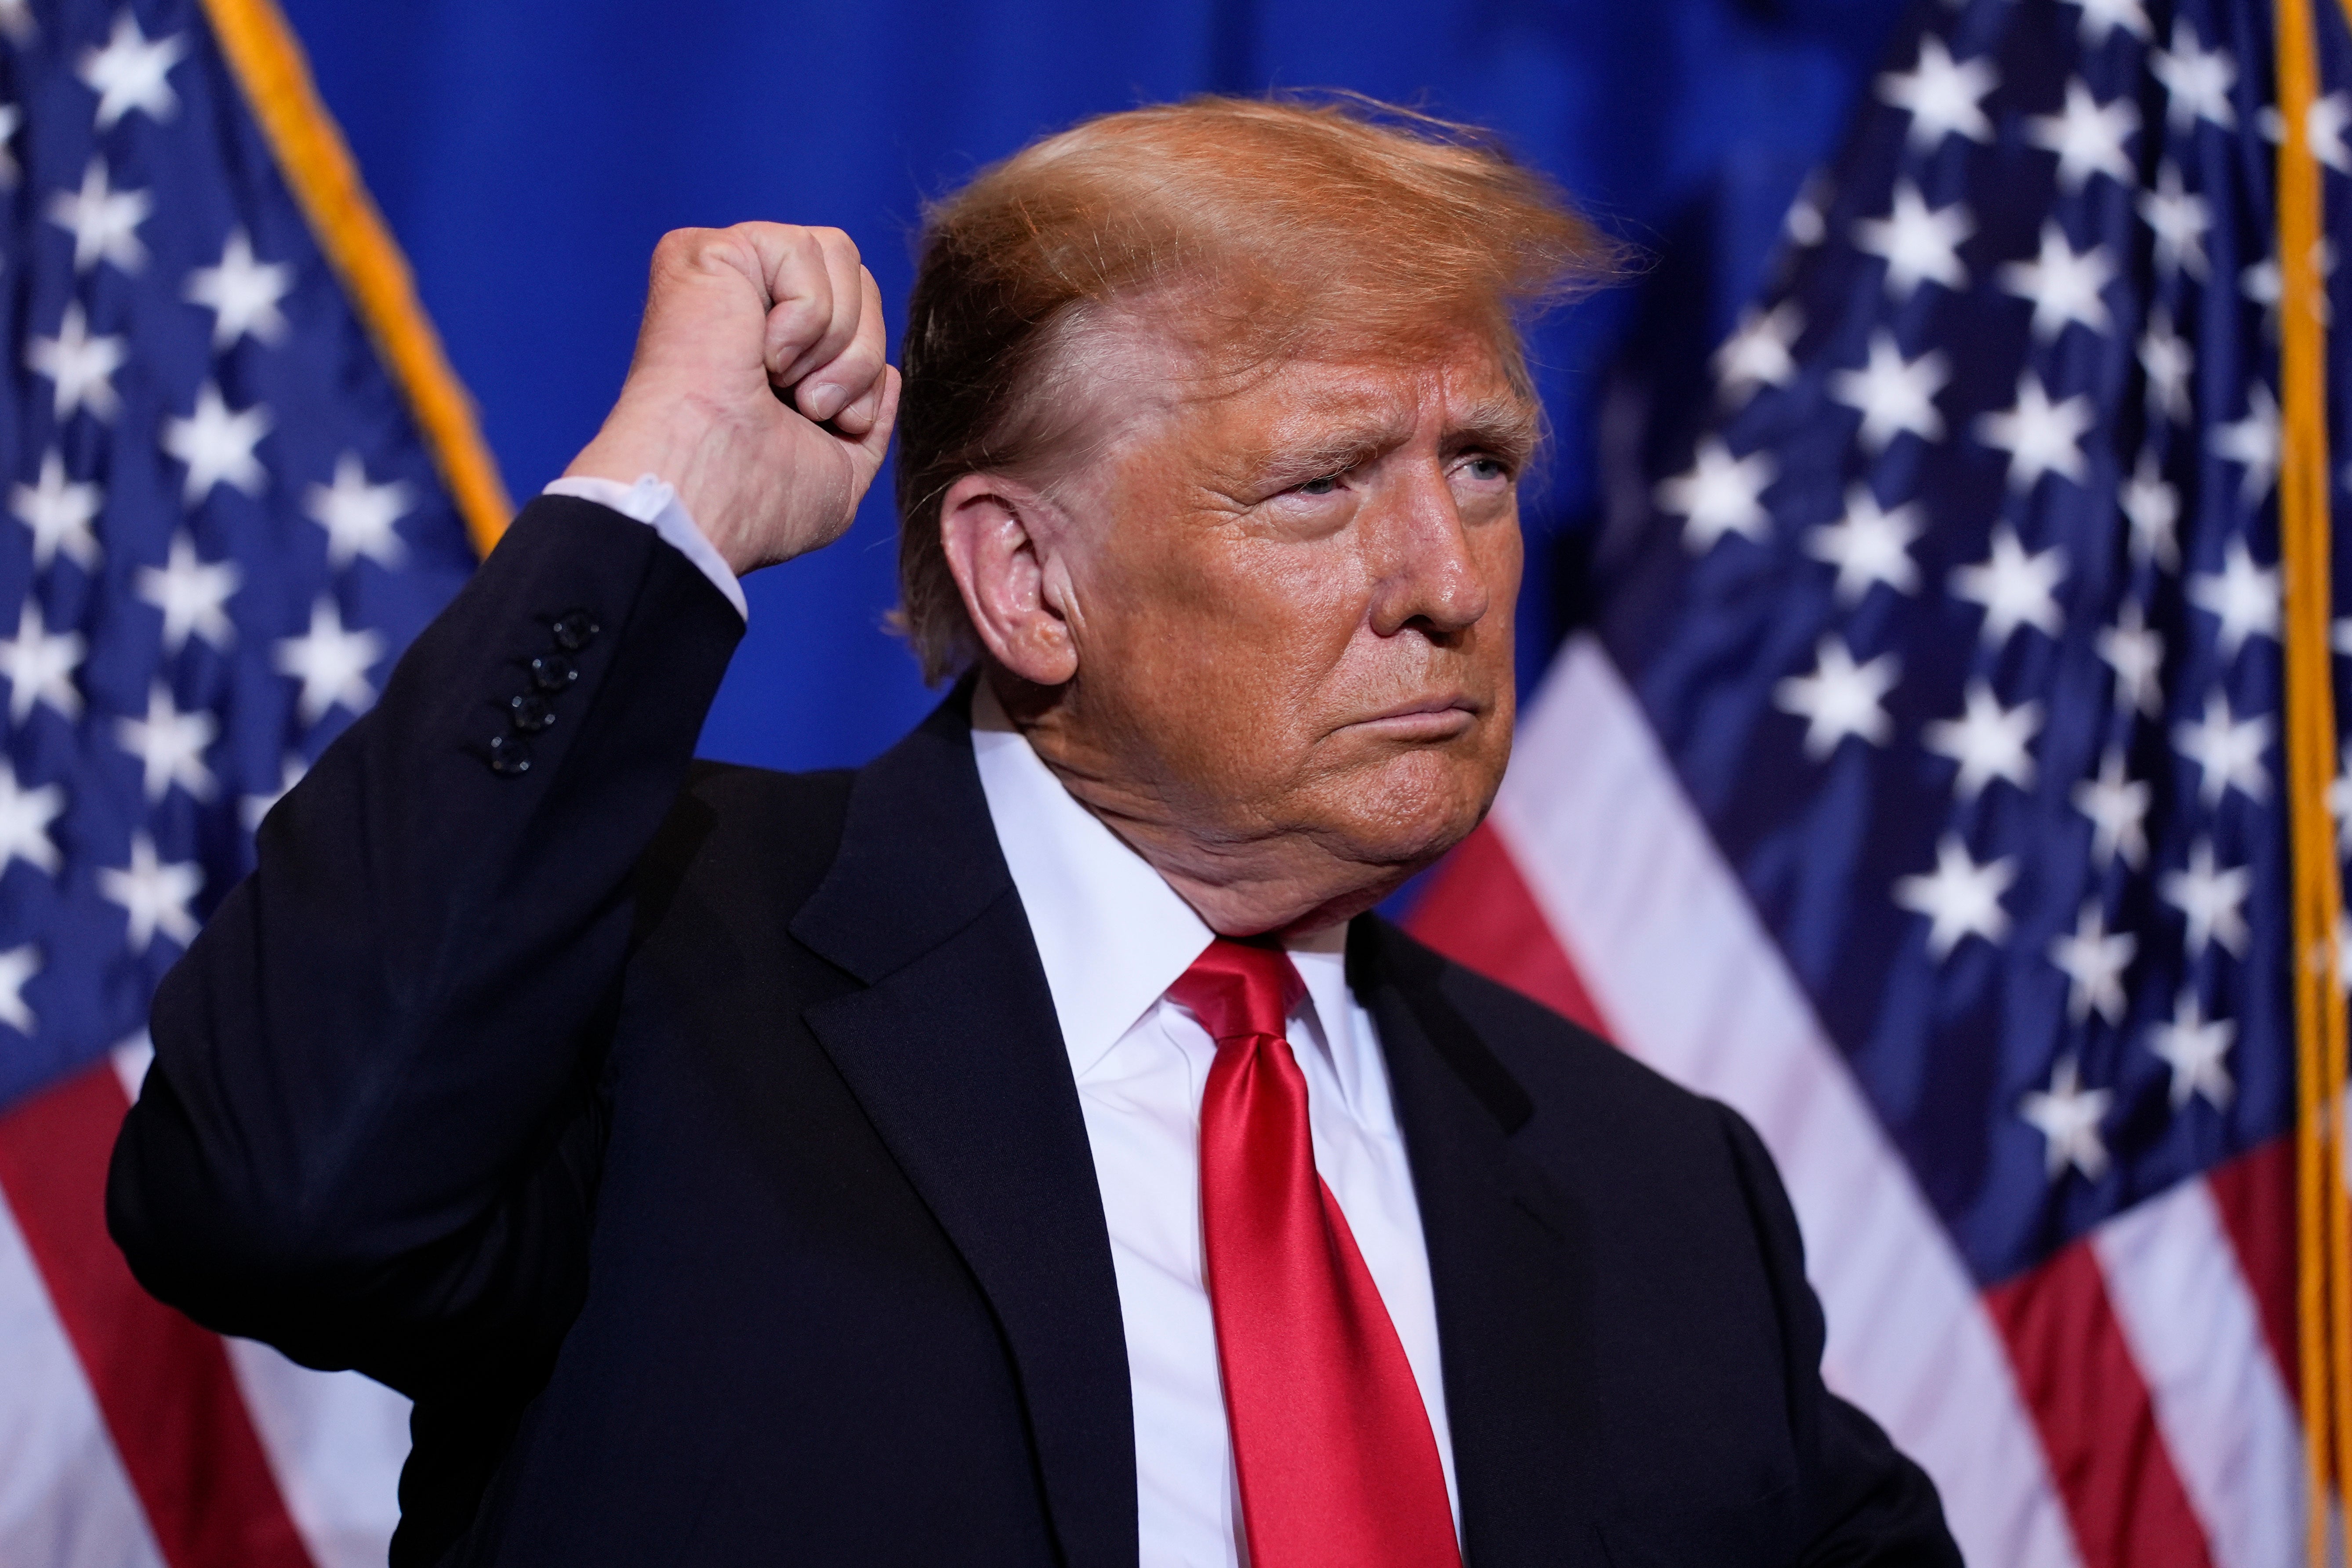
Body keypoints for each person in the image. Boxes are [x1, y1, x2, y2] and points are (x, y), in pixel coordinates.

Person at [108, 96, 1960, 1567]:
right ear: (1027, 580)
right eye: (1322, 482)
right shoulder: (652, 967)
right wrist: (661, 505)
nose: (1446, 579)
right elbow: (272, 1192)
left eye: (1479, 464)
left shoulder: (1660, 1192)